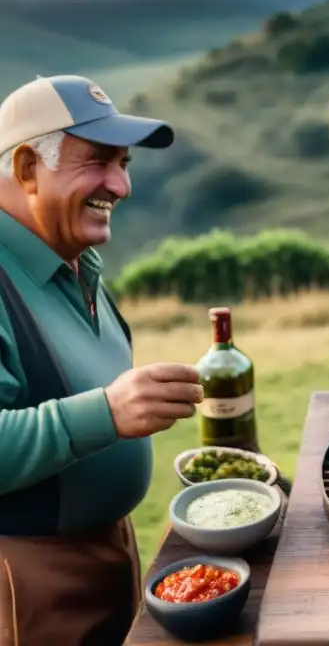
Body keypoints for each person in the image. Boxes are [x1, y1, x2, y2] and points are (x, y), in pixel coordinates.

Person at [0, 75, 204, 645]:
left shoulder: (75, 260)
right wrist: (108, 412)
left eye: (124, 163)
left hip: (111, 553)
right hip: (32, 584)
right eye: (96, 162)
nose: (121, 185)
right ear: (24, 168)